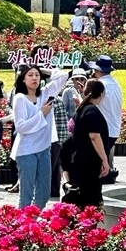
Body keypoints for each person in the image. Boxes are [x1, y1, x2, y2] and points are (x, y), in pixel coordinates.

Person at [10, 65, 68, 208]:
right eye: (30, 75)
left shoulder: (45, 94)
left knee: (44, 193)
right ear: (23, 79)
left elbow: (63, 76)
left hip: (44, 149)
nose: (34, 78)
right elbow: (21, 127)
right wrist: (41, 114)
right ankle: (23, 226)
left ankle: (31, 221)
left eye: (37, 75)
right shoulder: (20, 98)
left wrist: (43, 69)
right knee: (26, 193)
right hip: (26, 151)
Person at [66, 79, 110, 209]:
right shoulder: (92, 110)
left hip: (80, 162)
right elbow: (94, 136)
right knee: (91, 203)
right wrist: (105, 160)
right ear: (101, 94)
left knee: (81, 202)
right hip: (89, 164)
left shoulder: (83, 108)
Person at [87, 55, 122, 179]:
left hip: (103, 129)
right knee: (103, 158)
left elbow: (91, 104)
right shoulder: (115, 83)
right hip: (114, 128)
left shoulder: (101, 85)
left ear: (97, 70)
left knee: (97, 161)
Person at [53, 68, 87, 196]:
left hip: (82, 128)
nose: (80, 81)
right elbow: (65, 109)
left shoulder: (86, 92)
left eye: (82, 78)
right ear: (72, 80)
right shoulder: (68, 91)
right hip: (71, 127)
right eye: (77, 79)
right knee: (67, 156)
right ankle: (67, 182)